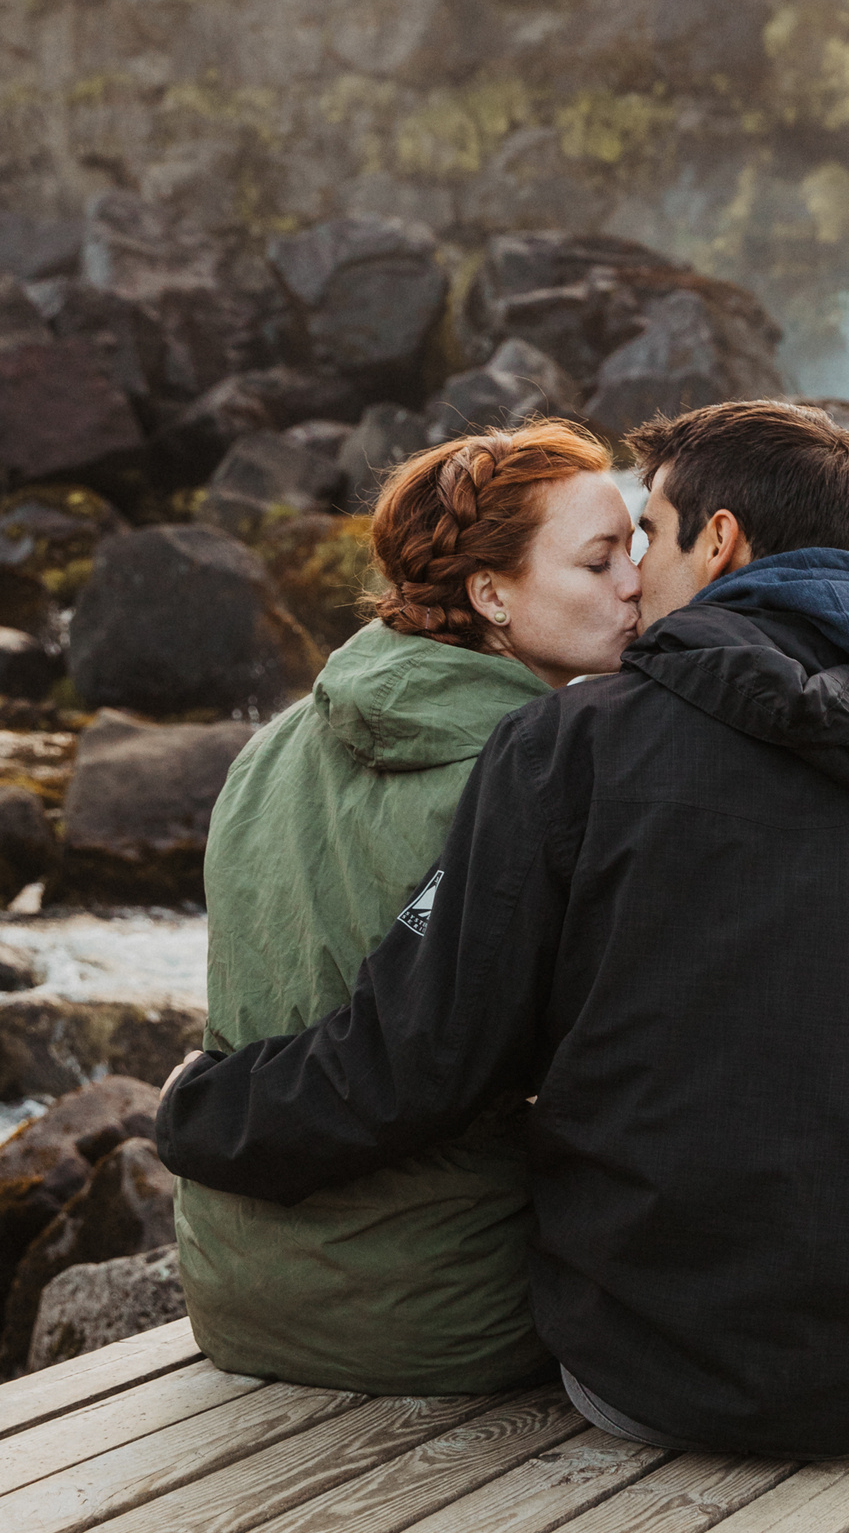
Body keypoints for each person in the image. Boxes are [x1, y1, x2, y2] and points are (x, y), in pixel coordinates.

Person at [159, 400, 849, 1453]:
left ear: (722, 541)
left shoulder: (567, 747)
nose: (637, 574)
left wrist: (203, 1113)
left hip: (638, 1377)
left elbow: (432, 1050)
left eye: (647, 535)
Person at [172, 419, 640, 1395]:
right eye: (601, 561)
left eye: (637, 551)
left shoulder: (272, 747)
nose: (636, 583)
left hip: (233, 1289)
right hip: (449, 1316)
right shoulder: (539, 784)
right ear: (491, 592)